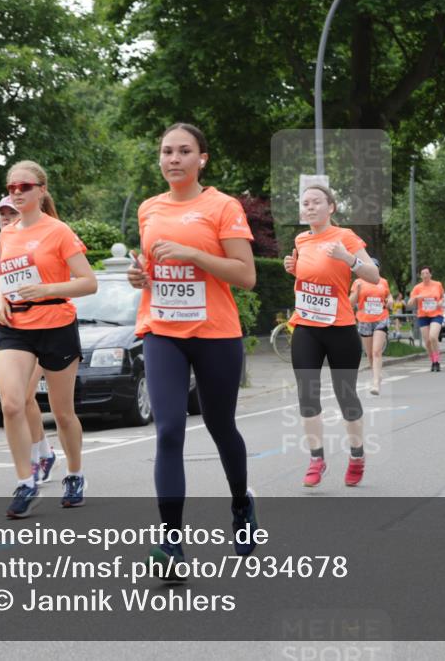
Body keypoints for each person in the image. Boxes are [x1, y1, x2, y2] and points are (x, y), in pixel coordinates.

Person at [127, 123, 259, 573]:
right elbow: (150, 264)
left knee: (222, 426)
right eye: (167, 151)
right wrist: (139, 277)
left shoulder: (222, 206)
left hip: (216, 333)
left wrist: (193, 255)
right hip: (162, 329)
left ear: (202, 158)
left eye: (184, 151)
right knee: (168, 431)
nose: (174, 159)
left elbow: (245, 275)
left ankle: (241, 503)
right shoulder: (148, 209)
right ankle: (171, 545)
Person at [0, 161, 96, 518]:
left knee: (63, 413)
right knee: (11, 404)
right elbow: (6, 276)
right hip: (15, 327)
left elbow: (88, 282)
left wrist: (45, 289)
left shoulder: (59, 232)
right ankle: (26, 482)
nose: (17, 193)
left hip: (56, 324)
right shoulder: (7, 234)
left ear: (41, 190)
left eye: (24, 187)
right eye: (12, 188)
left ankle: (75, 474)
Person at [283, 185, 379, 489]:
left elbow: (374, 276)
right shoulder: (301, 239)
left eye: (316, 202)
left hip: (340, 329)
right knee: (307, 393)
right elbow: (311, 277)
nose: (309, 207)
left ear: (331, 208)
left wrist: (348, 259)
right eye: (305, 203)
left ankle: (357, 456)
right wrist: (293, 268)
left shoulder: (345, 237)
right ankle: (316, 459)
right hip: (306, 327)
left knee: (345, 395)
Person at [0, 196, 56, 483]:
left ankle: (36, 458)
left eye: (12, 212)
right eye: (2, 213)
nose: (6, 217)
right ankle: (43, 452)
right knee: (16, 401)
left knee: (27, 396)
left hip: (42, 326)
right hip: (5, 330)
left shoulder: (38, 243)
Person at [350, 258, 392, 395]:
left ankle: (375, 383)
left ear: (378, 269)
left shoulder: (383, 282)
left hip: (381, 318)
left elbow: (389, 296)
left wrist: (390, 301)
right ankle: (376, 375)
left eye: (376, 267)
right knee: (369, 354)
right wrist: (357, 292)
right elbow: (350, 303)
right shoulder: (358, 282)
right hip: (364, 320)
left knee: (376, 351)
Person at [408, 266, 444, 371]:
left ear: (430, 274)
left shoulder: (437, 284)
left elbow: (442, 297)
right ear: (420, 276)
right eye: (422, 274)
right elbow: (409, 303)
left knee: (433, 337)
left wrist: (440, 302)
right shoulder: (417, 288)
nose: (425, 275)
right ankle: (433, 361)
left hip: (436, 314)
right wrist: (415, 298)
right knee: (427, 341)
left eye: (427, 273)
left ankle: (437, 361)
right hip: (423, 315)